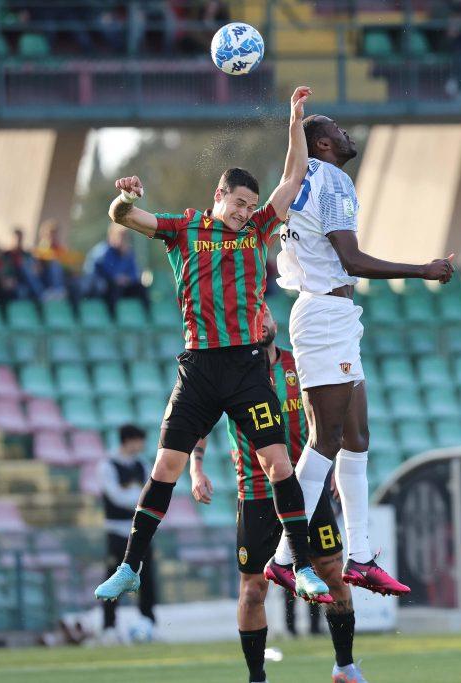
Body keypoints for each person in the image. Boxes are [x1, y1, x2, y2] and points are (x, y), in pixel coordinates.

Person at [94, 86, 332, 605]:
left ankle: (302, 567)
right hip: (198, 369)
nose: (246, 212)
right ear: (219, 195)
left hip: (246, 367)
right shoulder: (185, 229)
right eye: (239, 203)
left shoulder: (257, 231)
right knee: (166, 467)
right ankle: (130, 566)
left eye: (251, 205)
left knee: (278, 464)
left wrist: (294, 122)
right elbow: (124, 217)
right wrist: (126, 199)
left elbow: (293, 177)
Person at [266, 111, 454, 599]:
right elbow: (351, 259)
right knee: (325, 440)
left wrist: (295, 125)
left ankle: (362, 557)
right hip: (325, 314)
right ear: (322, 144)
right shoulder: (331, 180)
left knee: (356, 437)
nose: (346, 133)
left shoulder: (299, 178)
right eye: (336, 129)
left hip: (332, 315)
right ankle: (284, 557)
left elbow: (293, 168)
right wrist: (423, 270)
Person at [189, 306, 366, 683]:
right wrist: (196, 467)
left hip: (306, 489)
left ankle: (345, 666)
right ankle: (257, 677)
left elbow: (330, 415)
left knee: (333, 573)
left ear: (274, 322)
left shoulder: (299, 365)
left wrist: (336, 465)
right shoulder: (232, 369)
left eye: (265, 313)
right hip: (255, 492)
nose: (261, 320)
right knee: (253, 589)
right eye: (254, 315)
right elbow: (200, 421)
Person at [97, 424, 156, 644]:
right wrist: (138, 497)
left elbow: (153, 493)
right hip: (117, 531)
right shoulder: (107, 465)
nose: (142, 446)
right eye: (139, 440)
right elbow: (116, 496)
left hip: (141, 531)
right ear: (129, 440)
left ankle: (148, 622)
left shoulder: (142, 464)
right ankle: (109, 627)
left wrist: (133, 495)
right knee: (113, 580)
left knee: (147, 579)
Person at [94, 224, 149, 312]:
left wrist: (127, 279)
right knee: (113, 290)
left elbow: (134, 274)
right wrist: (115, 278)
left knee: (141, 289)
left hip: (124, 287)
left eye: (126, 238)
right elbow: (98, 272)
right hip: (107, 288)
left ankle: (146, 315)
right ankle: (112, 316)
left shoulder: (128, 253)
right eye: (121, 237)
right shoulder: (103, 252)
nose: (124, 241)